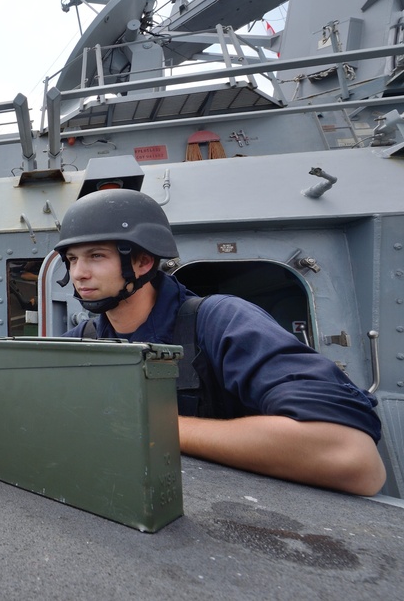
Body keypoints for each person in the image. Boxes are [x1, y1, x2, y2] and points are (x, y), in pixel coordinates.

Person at [55, 188, 386, 496]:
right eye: (72, 259)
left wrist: (149, 425)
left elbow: (353, 457)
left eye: (95, 256)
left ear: (143, 262)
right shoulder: (81, 342)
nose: (79, 273)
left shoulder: (221, 320)